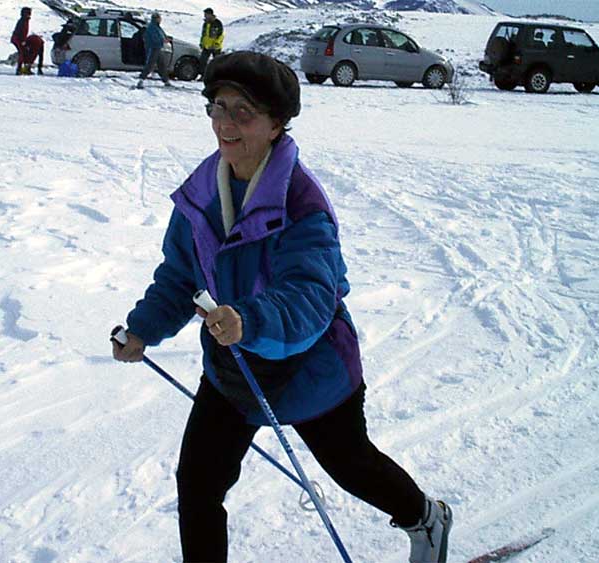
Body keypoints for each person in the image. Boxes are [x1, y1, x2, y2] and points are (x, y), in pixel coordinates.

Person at [112, 51, 453, 563]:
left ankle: (426, 518)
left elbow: (311, 295)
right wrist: (142, 329)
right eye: (217, 107)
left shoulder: (301, 202)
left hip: (311, 366)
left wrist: (249, 319)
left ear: (277, 124)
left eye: (242, 111)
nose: (224, 124)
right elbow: (181, 276)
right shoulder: (202, 194)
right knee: (198, 485)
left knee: (350, 465)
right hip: (235, 366)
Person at [136, 12, 171, 89]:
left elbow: (162, 35)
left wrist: (165, 39)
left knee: (162, 65)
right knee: (150, 65)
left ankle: (166, 81)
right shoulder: (152, 27)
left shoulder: (157, 27)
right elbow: (155, 38)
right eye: (159, 18)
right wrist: (163, 41)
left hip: (158, 48)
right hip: (153, 48)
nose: (160, 20)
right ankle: (141, 80)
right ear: (156, 19)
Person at [11, 7, 44, 75]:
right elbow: (21, 31)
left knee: (24, 53)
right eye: (28, 13)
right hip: (18, 39)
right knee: (22, 53)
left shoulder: (25, 20)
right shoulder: (23, 21)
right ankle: (20, 69)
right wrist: (23, 41)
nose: (29, 15)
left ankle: (24, 69)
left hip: (19, 39)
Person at [197, 7, 224, 79]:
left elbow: (221, 35)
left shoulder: (217, 23)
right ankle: (203, 76)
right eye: (204, 14)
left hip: (215, 47)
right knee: (203, 61)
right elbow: (204, 35)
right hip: (206, 46)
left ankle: (218, 76)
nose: (205, 16)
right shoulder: (205, 24)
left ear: (210, 14)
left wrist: (217, 43)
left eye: (206, 14)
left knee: (217, 62)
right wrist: (201, 43)